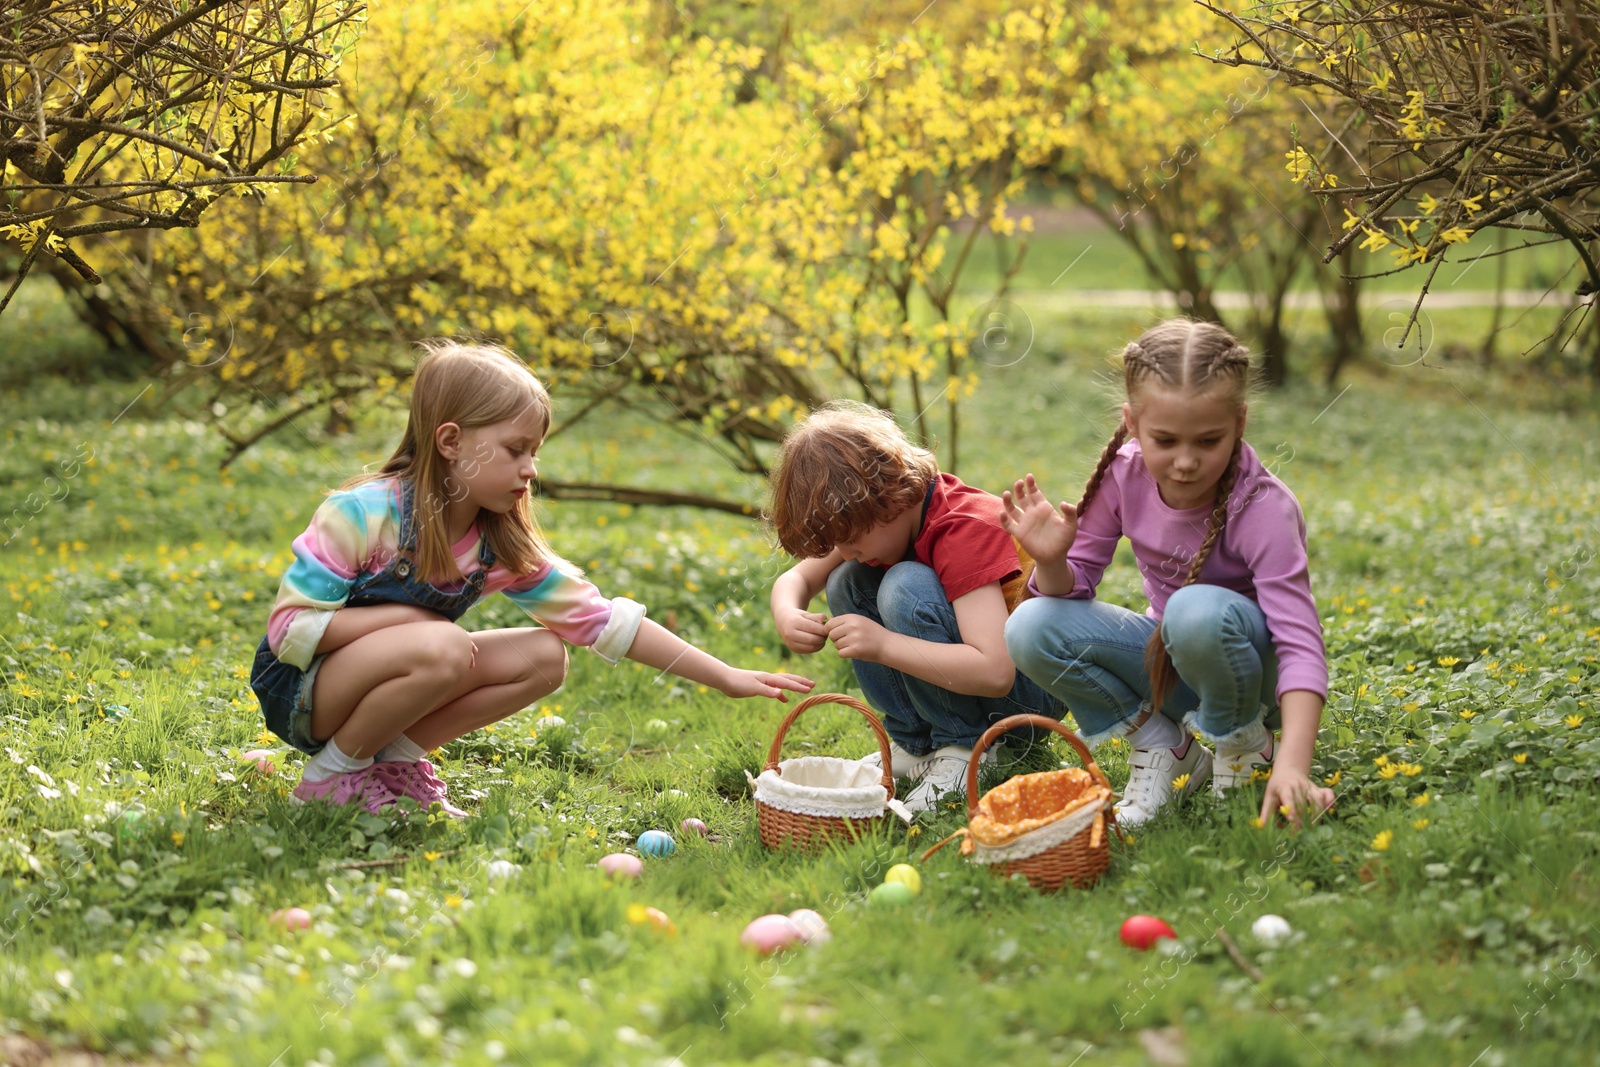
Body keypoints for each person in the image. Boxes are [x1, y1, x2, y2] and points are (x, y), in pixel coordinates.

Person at [251, 340, 812, 816]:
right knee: (444, 645)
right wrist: (403, 618)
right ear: (451, 444)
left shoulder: (496, 544)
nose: (531, 468)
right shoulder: (364, 513)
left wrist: (724, 676)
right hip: (302, 691)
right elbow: (292, 632)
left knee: (546, 657)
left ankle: (391, 762)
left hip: (385, 679)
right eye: (515, 449)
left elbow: (602, 622)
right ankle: (331, 778)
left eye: (535, 451)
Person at [1002, 319, 1333, 829]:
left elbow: (1300, 641)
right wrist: (1050, 561)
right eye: (1165, 439)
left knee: (1192, 610)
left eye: (1207, 441)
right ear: (1132, 422)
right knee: (1030, 625)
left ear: (1239, 422)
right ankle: (1166, 747)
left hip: (1253, 678)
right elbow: (1077, 588)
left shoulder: (1263, 507)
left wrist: (1296, 765)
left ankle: (1248, 744)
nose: (1185, 461)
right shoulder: (1123, 473)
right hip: (1174, 662)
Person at [767, 401, 1061, 813]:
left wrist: (884, 645)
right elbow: (798, 579)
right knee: (846, 580)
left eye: (851, 539)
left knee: (905, 585)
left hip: (1026, 697)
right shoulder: (881, 521)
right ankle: (916, 746)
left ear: (889, 502)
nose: (846, 550)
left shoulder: (962, 528)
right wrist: (788, 613)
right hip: (984, 684)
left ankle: (963, 748)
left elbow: (996, 672)